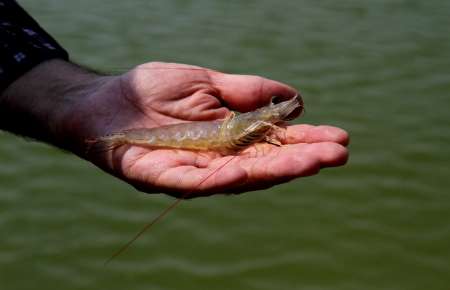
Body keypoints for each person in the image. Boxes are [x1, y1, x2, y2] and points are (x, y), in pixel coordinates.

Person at [0, 0, 349, 198]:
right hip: (198, 135)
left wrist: (70, 98)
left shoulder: (255, 122)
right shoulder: (242, 127)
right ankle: (118, 137)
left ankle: (116, 136)